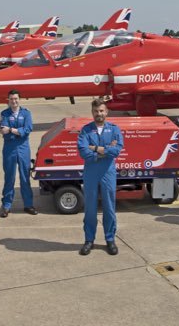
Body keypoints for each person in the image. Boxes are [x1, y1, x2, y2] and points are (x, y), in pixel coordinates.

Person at [77, 99, 123, 255]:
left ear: (106, 112)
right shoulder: (86, 130)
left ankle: (110, 239)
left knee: (109, 208)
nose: (99, 114)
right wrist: (104, 152)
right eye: (96, 111)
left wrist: (96, 149)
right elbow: (83, 151)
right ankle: (89, 240)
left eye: (102, 111)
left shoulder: (114, 129)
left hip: (108, 172)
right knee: (90, 207)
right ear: (92, 112)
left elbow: (116, 151)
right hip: (91, 172)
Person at [0, 90, 37, 217]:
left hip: (23, 148)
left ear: (19, 99)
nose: (14, 101)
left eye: (15, 99)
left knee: (25, 177)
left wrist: (11, 129)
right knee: (9, 177)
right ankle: (6, 205)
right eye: (11, 99)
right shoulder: (4, 114)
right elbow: (3, 130)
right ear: (8, 100)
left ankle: (28, 204)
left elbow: (27, 129)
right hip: (9, 148)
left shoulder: (26, 113)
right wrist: (16, 131)